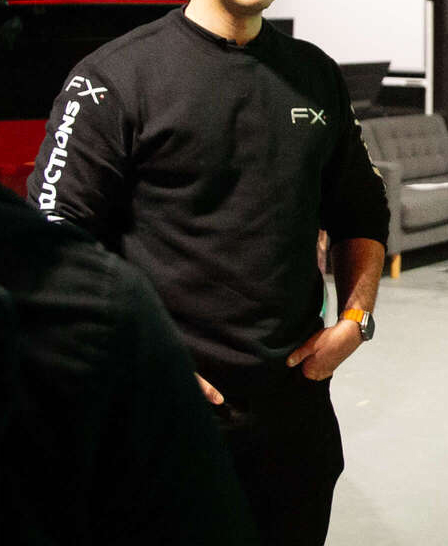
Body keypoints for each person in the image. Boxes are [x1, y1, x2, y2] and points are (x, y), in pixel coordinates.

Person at [26, 0, 390, 546]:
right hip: (163, 414)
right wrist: (138, 365)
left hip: (294, 415)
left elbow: (361, 214)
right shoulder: (114, 80)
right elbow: (54, 247)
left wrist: (355, 322)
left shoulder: (313, 75)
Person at [0, 187, 260, 545]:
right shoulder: (93, 307)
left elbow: (354, 207)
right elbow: (59, 208)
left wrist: (356, 321)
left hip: (284, 406)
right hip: (166, 383)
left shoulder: (98, 306)